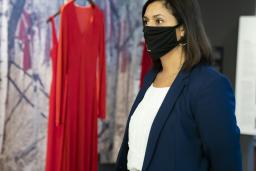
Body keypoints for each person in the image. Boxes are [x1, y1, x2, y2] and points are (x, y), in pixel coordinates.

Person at [115, 0, 242, 171]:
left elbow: (227, 163)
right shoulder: (151, 78)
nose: (149, 29)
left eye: (159, 21)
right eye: (146, 22)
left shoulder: (209, 85)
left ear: (182, 29)